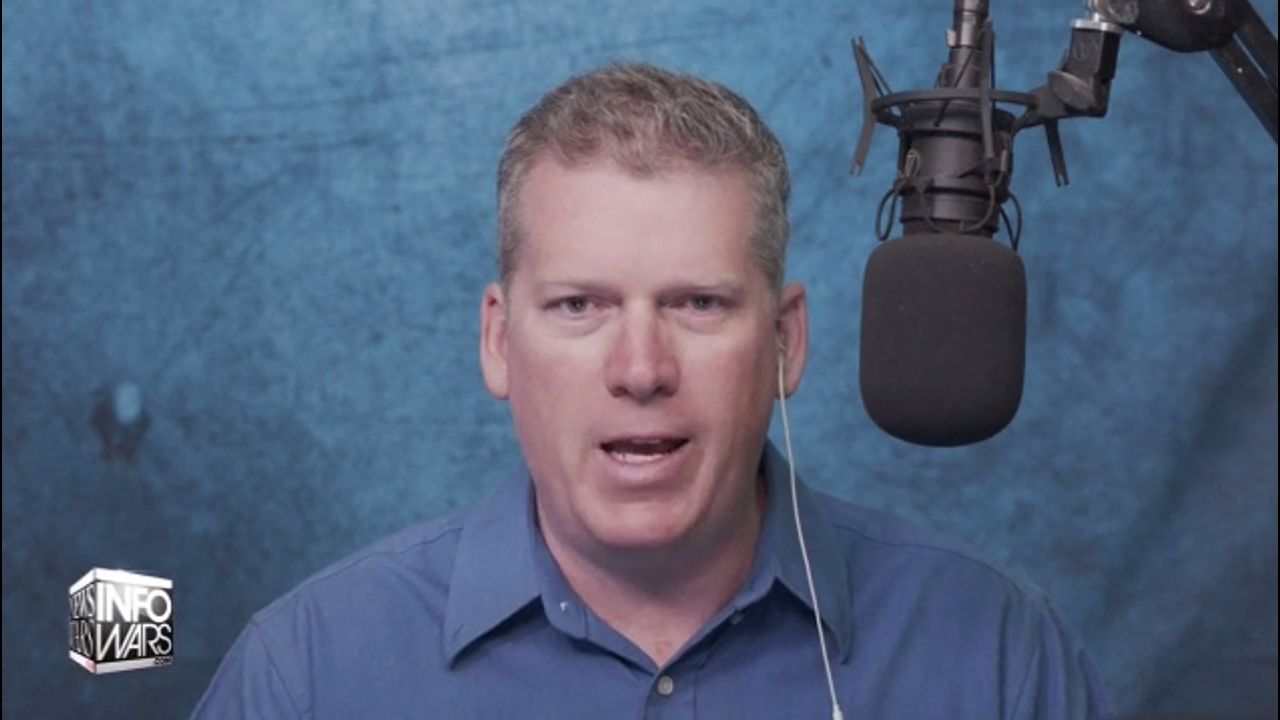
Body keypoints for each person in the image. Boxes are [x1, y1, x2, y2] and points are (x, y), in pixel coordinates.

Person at [193, 62, 1111, 719]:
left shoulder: (997, 655)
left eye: (698, 304)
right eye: (580, 305)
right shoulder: (306, 673)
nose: (640, 370)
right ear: (499, 341)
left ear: (786, 342)